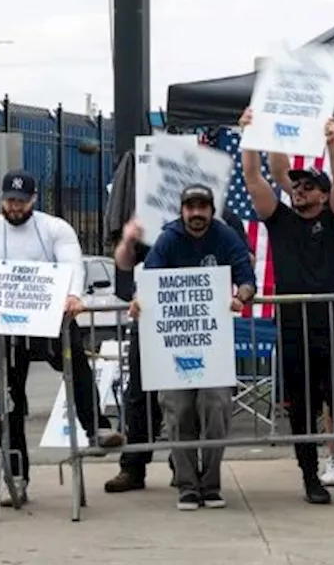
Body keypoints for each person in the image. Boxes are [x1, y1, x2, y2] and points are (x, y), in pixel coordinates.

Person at [239, 111, 334, 506]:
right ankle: (309, 477)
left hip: (333, 326)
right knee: (301, 407)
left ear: (322, 192)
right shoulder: (280, 220)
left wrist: (333, 142)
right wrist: (250, 133)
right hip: (293, 328)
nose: (298, 189)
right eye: (294, 185)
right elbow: (253, 177)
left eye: (307, 186)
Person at [0, 170, 90, 505]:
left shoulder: (55, 228)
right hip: (1, 327)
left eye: (20, 201)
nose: (14, 207)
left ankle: (97, 424)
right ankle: (15, 474)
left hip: (48, 320)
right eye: (9, 200)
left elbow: (73, 264)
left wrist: (74, 294)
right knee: (7, 399)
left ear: (33, 200)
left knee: (76, 362)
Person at [105, 206, 251, 494]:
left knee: (204, 404)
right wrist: (128, 240)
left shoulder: (225, 219)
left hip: (207, 332)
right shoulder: (150, 215)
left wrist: (241, 288)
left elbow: (245, 263)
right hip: (156, 323)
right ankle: (134, 466)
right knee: (145, 397)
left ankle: (190, 473)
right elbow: (124, 262)